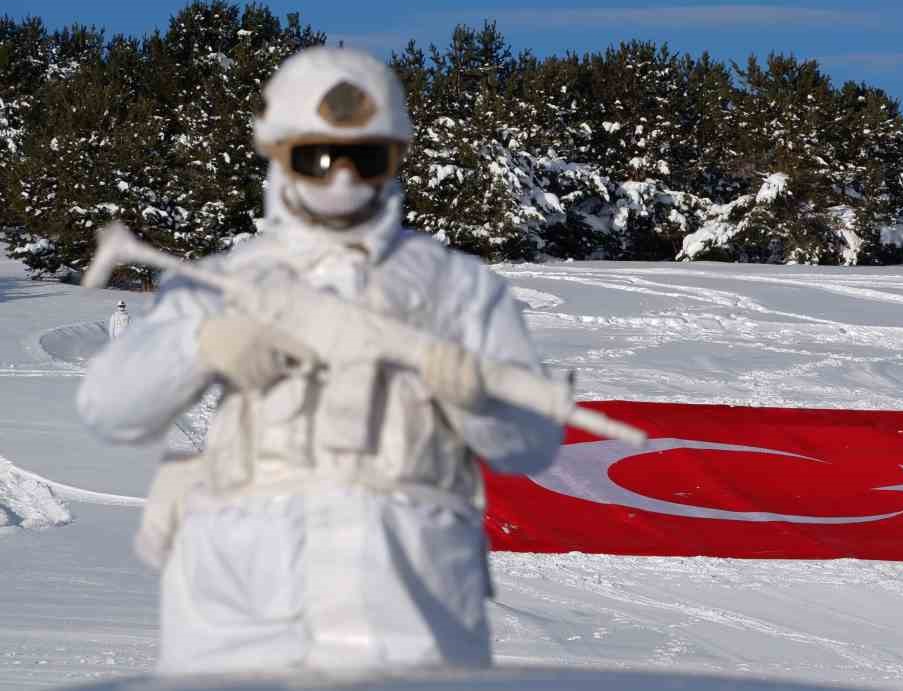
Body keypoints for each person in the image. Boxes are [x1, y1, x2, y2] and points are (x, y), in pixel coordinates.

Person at [77, 47, 568, 675]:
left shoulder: (461, 289)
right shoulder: (222, 281)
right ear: (279, 153)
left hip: (411, 611)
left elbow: (532, 444)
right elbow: (110, 409)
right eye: (316, 157)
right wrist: (195, 345)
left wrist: (483, 403)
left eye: (364, 158)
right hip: (244, 613)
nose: (340, 178)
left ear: (394, 158)